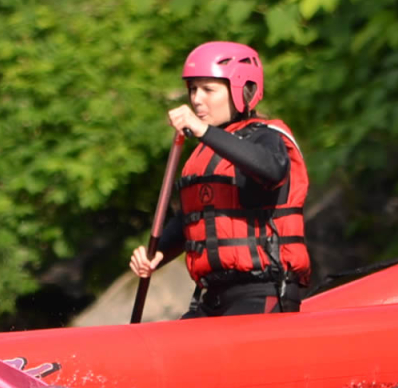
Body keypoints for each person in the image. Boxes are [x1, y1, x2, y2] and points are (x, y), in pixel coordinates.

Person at [128, 41, 311, 317]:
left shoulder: (267, 138)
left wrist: (202, 130)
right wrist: (158, 253)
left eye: (208, 89)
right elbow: (194, 219)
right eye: (192, 89)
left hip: (263, 292)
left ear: (241, 90)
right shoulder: (207, 153)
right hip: (212, 296)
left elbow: (271, 170)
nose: (196, 99)